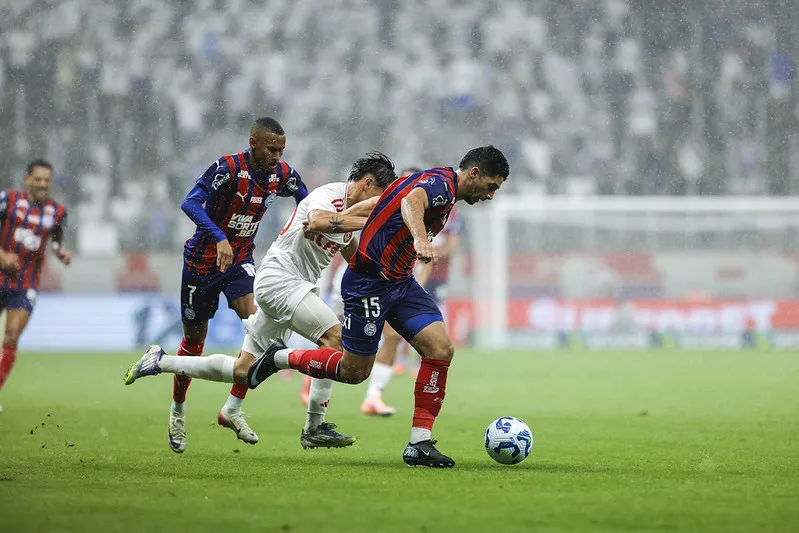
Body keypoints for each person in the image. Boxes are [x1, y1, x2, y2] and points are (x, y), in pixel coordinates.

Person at [247, 146, 510, 467]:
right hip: (368, 283)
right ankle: (278, 357)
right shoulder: (439, 186)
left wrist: (340, 221)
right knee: (354, 371)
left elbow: (382, 203)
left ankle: (419, 444)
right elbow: (411, 202)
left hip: (400, 283)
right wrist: (419, 239)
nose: (491, 196)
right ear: (474, 174)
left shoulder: (437, 186)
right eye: (491, 187)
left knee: (440, 349)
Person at [125, 152, 397, 449]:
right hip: (281, 281)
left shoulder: (347, 215)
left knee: (243, 370)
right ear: (368, 184)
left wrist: (380, 273)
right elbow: (317, 221)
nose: (377, 206)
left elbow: (350, 251)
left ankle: (161, 362)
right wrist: (361, 218)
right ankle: (314, 425)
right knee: (335, 341)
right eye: (379, 197)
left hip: (289, 285)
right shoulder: (330, 196)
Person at [170, 117, 308, 453]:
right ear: (253, 142)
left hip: (240, 262)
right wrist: (219, 237)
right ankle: (178, 411)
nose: (277, 156)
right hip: (202, 263)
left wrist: (299, 233)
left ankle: (231, 409)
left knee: (260, 328)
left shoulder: (282, 175)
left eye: (281, 150)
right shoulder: (228, 168)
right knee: (193, 343)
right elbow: (190, 202)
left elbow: (306, 203)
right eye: (271, 149)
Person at [298, 166, 425, 416]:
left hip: (386, 285)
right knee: (334, 341)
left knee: (392, 337)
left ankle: (373, 397)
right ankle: (307, 383)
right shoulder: (382, 205)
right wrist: (323, 224)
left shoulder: (417, 213)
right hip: (355, 283)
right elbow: (342, 220)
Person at [360, 203, 464, 416]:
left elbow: (441, 249)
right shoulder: (385, 212)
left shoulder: (436, 217)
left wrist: (415, 290)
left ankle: (375, 395)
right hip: (369, 281)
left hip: (408, 283)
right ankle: (290, 363)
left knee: (394, 336)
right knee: (347, 355)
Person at [0, 160, 72, 413]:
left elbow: (56, 240)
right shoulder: (7, 200)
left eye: (46, 180)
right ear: (27, 179)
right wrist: (2, 255)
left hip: (25, 283)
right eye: (38, 179)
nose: (42, 184)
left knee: (11, 337)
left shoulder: (57, 211)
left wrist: (61, 253)